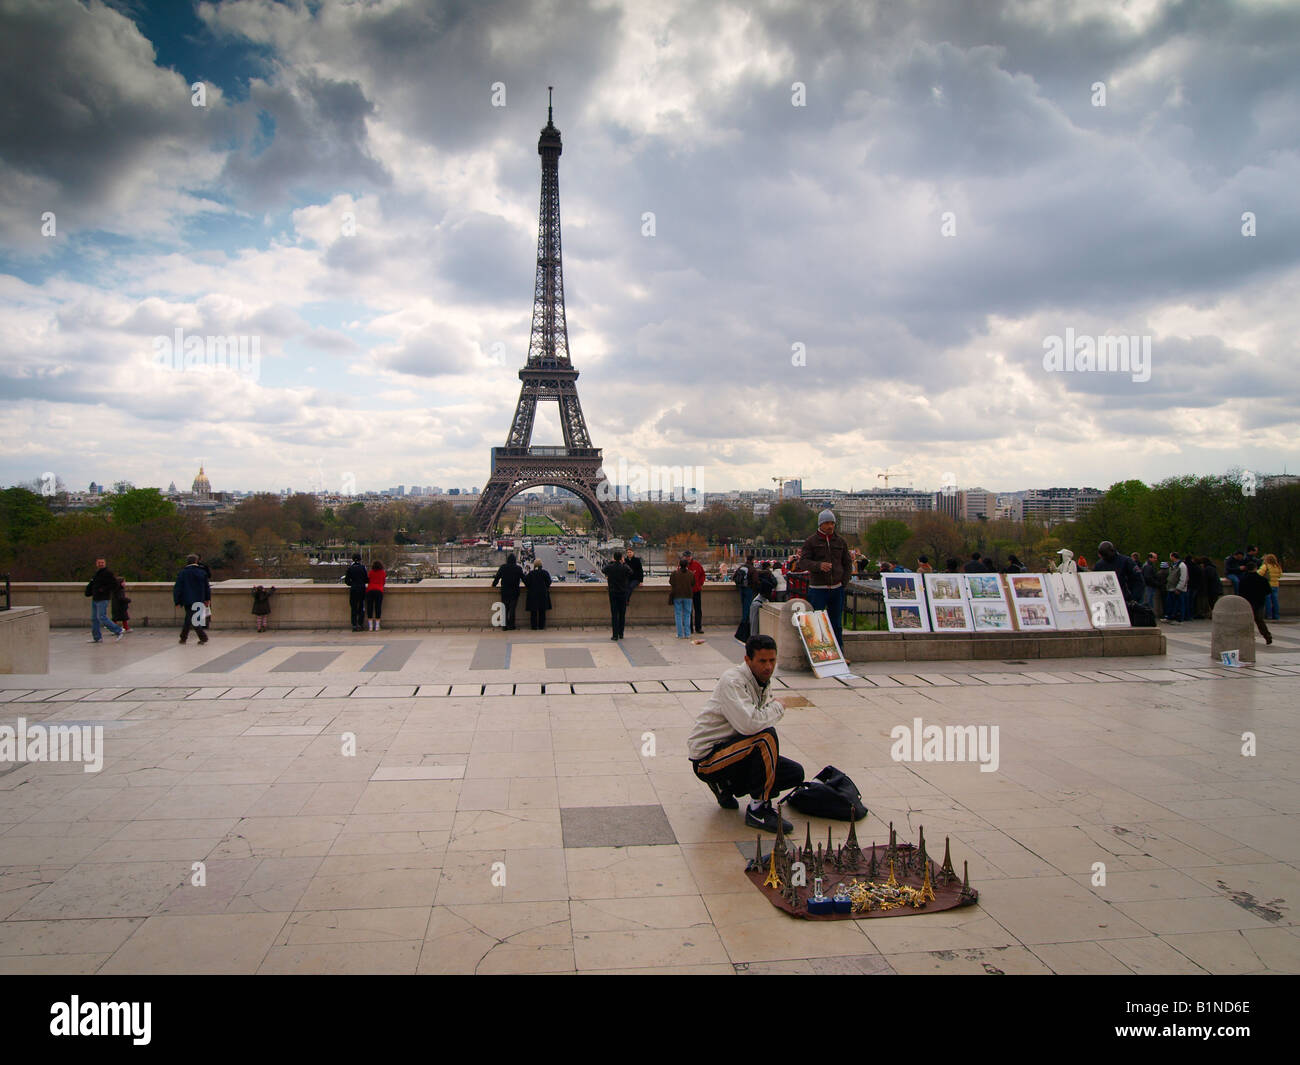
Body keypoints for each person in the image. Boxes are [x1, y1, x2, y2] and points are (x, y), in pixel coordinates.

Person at [688, 635, 805, 834]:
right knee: (766, 737)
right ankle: (758, 809)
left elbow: (754, 721)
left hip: (736, 751)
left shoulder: (761, 680)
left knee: (794, 773)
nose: (768, 667)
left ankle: (725, 786)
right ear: (747, 660)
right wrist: (778, 706)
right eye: (762, 661)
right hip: (708, 759)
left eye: (772, 661)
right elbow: (749, 725)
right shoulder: (733, 681)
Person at [791, 510, 853, 653]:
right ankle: (818, 653)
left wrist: (844, 581)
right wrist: (819, 566)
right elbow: (804, 562)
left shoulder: (840, 541)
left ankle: (839, 653)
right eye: (827, 523)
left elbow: (847, 563)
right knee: (816, 622)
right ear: (820, 524)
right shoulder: (811, 541)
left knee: (836, 624)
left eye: (832, 523)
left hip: (837, 588)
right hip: (818, 588)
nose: (830, 526)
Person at [85, 558, 126, 643]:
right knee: (94, 619)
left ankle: (118, 630)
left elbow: (114, 584)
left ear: (105, 563)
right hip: (95, 598)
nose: (101, 564)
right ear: (96, 563)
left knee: (102, 617)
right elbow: (92, 584)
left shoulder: (108, 573)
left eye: (102, 562)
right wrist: (88, 592)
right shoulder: (97, 574)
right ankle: (97, 637)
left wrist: (103, 590)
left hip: (103, 598)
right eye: (99, 562)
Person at [174, 553, 211, 645]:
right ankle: (184, 637)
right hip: (200, 598)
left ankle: (200, 637)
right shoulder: (202, 572)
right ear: (196, 561)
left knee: (191, 619)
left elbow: (178, 588)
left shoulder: (183, 573)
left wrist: (177, 600)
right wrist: (207, 599)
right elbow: (207, 587)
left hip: (187, 599)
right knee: (193, 619)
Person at [1237, 560, 1273, 645]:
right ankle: (1267, 636)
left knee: (1246, 621)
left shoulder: (1243, 580)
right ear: (1256, 568)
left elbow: (1240, 592)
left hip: (1247, 603)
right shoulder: (1262, 579)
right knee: (1260, 620)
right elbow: (1268, 591)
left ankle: (1247, 638)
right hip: (1259, 602)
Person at [602, 551, 632, 640]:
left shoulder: (610, 567)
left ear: (614, 558)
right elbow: (630, 572)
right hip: (623, 593)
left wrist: (612, 562)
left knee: (614, 614)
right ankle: (621, 633)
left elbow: (603, 570)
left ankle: (615, 635)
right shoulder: (624, 567)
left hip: (613, 592)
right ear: (621, 558)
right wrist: (623, 563)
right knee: (622, 614)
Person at [491, 553, 525, 631]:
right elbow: (524, 579)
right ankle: (511, 625)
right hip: (514, 591)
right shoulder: (518, 568)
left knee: (504, 609)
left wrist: (494, 585)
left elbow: (497, 578)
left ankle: (504, 626)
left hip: (505, 591)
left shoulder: (503, 567)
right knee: (512, 609)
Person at [669, 557, 695, 638]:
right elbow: (693, 583)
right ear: (687, 565)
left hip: (677, 595)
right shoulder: (691, 573)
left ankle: (680, 634)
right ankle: (687, 634)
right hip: (688, 595)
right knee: (687, 615)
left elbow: (671, 582)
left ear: (679, 565)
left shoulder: (674, 573)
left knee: (678, 615)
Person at [523, 560, 552, 630]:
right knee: (542, 611)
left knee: (533, 612)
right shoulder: (545, 573)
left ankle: (534, 626)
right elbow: (549, 582)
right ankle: (541, 626)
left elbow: (526, 582)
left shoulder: (531, 573)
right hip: (543, 594)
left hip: (533, 594)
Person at [344, 553, 368, 632]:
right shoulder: (363, 568)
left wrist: (353, 584)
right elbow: (366, 579)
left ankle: (354, 625)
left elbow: (347, 581)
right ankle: (360, 624)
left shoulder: (350, 568)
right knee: (361, 607)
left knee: (353, 608)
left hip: (354, 589)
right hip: (361, 589)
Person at [684, 550, 706, 633]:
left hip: (696, 590)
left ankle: (698, 627)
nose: (687, 558)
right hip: (687, 591)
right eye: (686, 557)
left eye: (688, 556)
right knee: (688, 610)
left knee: (698, 610)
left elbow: (703, 574)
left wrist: (700, 583)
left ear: (691, 557)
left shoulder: (697, 565)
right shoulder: (682, 566)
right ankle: (689, 628)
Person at [733, 554, 756, 624]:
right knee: (748, 605)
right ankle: (745, 621)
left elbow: (734, 577)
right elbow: (755, 580)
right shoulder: (751, 568)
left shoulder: (741, 567)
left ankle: (744, 620)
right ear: (752, 560)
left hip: (741, 588)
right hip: (748, 588)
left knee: (744, 605)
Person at [1165, 552, 1187, 623]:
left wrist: (1179, 588)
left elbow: (1183, 578)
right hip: (1171, 588)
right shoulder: (1174, 565)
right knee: (1172, 604)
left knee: (1179, 604)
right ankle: (1171, 617)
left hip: (1177, 589)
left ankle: (1179, 619)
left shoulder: (1182, 565)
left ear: (1173, 557)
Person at [1260, 553, 1282, 621]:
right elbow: (1279, 575)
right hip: (1275, 585)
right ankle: (1276, 615)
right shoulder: (1277, 566)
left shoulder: (1265, 566)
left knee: (1268, 601)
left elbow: (1259, 573)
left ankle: (1269, 615)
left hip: (1267, 585)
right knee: (1275, 601)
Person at [365, 560, 386, 631]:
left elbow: (368, 580)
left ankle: (370, 626)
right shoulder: (382, 572)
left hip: (370, 590)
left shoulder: (371, 572)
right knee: (378, 607)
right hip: (379, 590)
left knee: (369, 607)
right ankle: (377, 626)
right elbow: (383, 582)